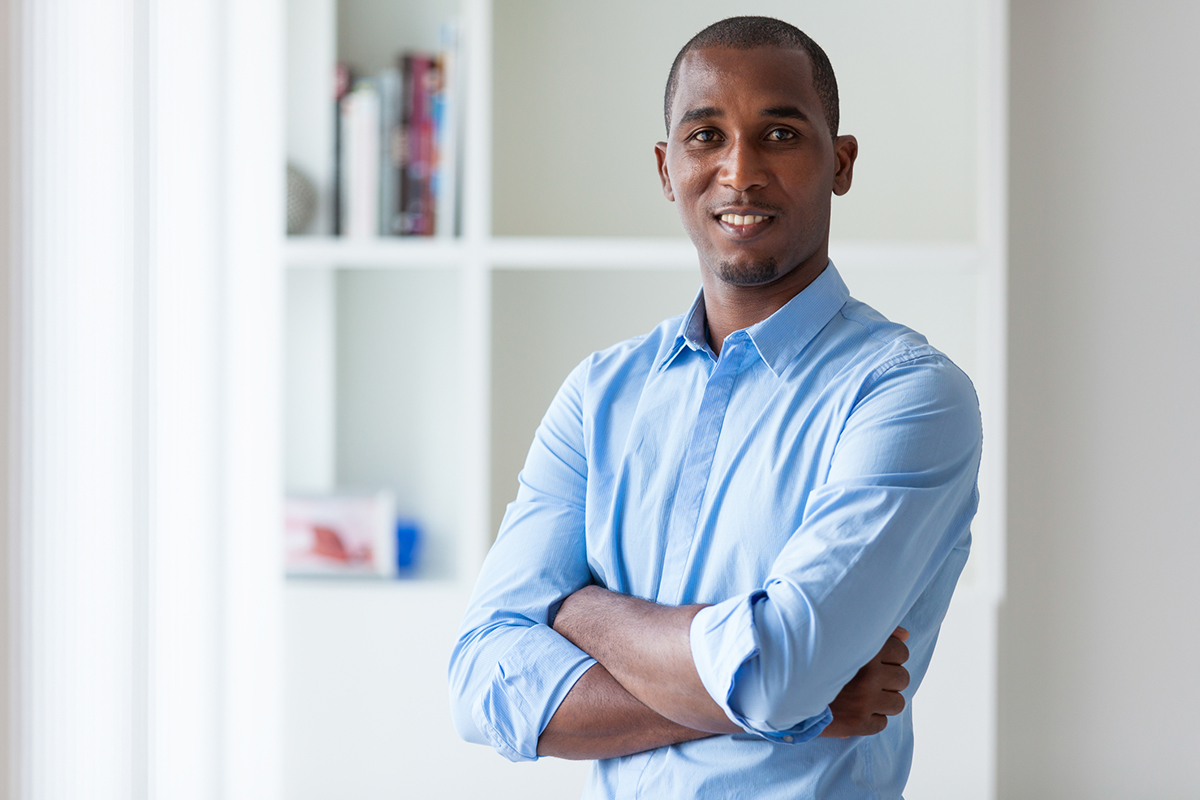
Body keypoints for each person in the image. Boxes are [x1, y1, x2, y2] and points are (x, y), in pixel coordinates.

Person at [449, 15, 981, 799]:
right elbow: (483, 683)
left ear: (840, 162)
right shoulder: (600, 396)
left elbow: (777, 672)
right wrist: (791, 703)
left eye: (779, 134)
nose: (740, 171)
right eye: (706, 135)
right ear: (667, 169)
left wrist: (580, 611)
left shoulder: (907, 394)